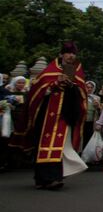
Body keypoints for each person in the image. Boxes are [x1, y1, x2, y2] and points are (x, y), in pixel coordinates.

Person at [22, 42, 88, 190]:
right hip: (45, 116)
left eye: (73, 53)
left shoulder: (77, 71)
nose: (71, 56)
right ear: (61, 54)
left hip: (65, 115)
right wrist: (54, 84)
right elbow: (36, 92)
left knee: (59, 146)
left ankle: (54, 178)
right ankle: (41, 179)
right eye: (68, 53)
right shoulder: (48, 71)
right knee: (43, 146)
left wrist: (71, 86)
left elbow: (82, 93)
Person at [82, 81, 102, 148]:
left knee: (89, 137)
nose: (89, 89)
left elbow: (100, 112)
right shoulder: (81, 96)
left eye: (91, 87)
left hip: (92, 121)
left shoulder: (97, 98)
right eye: (88, 87)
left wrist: (98, 107)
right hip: (82, 121)